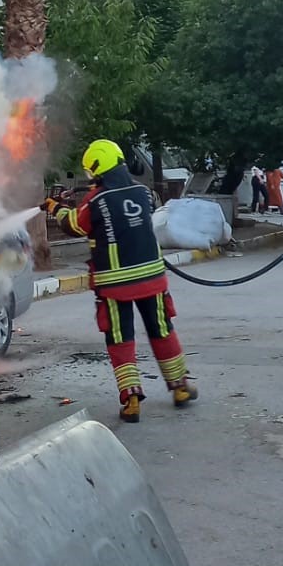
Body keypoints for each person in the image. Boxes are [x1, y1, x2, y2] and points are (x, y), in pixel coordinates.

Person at [48, 139, 196, 424]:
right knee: (162, 331)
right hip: (152, 279)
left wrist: (56, 207)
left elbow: (74, 224)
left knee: (120, 338)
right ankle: (179, 387)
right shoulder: (144, 193)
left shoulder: (95, 201)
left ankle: (131, 399)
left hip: (115, 286)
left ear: (97, 170)